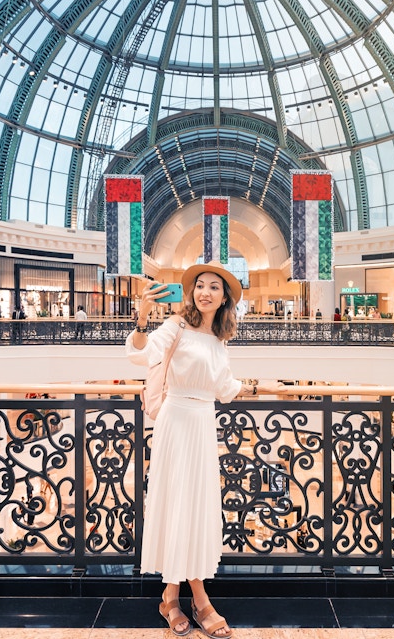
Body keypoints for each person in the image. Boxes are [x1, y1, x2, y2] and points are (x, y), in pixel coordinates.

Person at [126, 262, 284, 638]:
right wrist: (142, 319)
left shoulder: (219, 338)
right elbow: (140, 357)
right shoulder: (175, 326)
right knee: (177, 505)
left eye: (215, 287)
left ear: (225, 297)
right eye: (200, 285)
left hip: (202, 422)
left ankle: (170, 597)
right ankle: (199, 599)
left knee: (195, 509)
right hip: (176, 421)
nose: (205, 292)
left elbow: (223, 386)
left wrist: (262, 388)